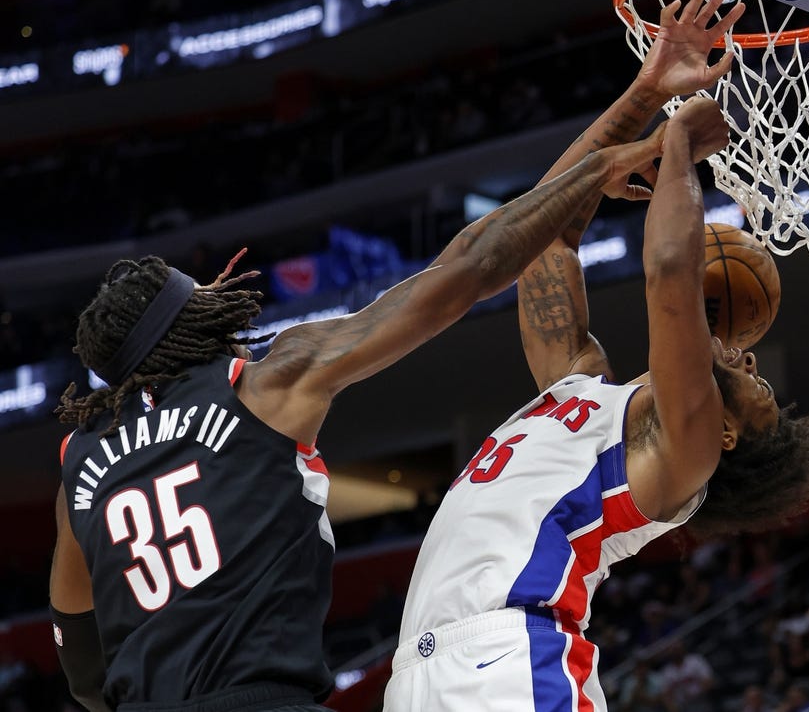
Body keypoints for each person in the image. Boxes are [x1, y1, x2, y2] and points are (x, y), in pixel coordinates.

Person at [47, 118, 663, 709]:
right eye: (203, 297)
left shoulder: (79, 466)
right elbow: (468, 270)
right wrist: (595, 170)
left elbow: (81, 667)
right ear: (189, 324)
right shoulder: (267, 385)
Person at [383, 0, 809, 709]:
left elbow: (670, 272)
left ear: (724, 434)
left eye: (761, 393)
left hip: (515, 659)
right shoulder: (581, 383)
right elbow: (544, 233)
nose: (752, 361)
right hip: (425, 671)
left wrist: (679, 139)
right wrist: (646, 93)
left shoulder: (684, 455)